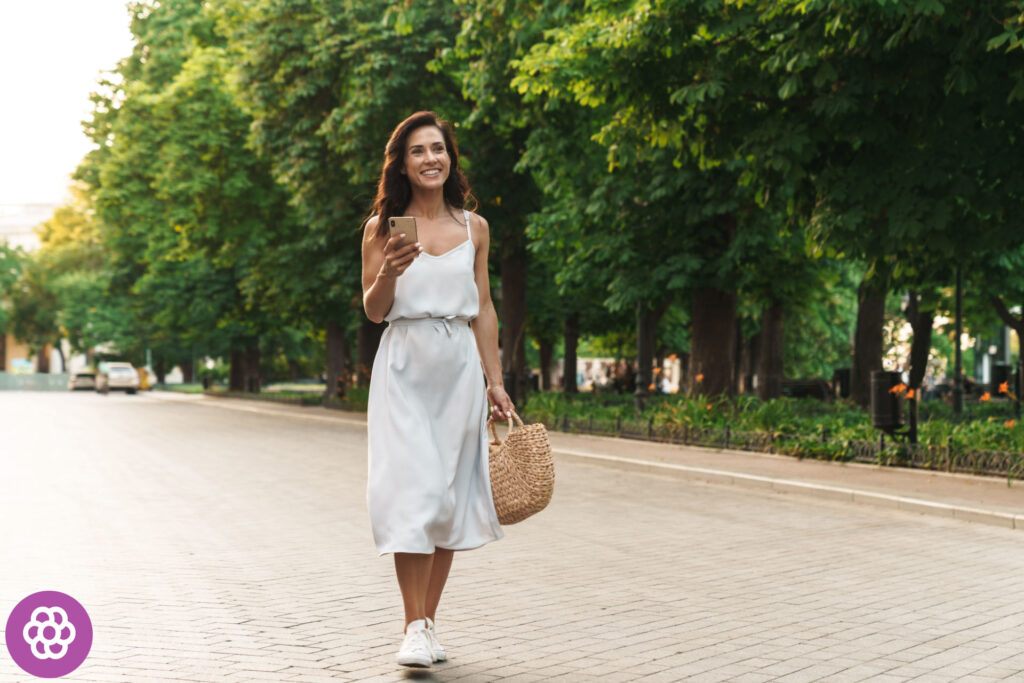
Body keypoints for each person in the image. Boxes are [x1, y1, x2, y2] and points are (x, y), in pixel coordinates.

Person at [360, 111, 515, 668]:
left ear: (451, 158)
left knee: (447, 499)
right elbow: (375, 311)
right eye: (419, 151)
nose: (432, 158)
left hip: (457, 372)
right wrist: (390, 273)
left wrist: (495, 381)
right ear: (402, 162)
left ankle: (426, 625)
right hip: (403, 367)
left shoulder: (475, 227)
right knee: (415, 492)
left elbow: (485, 306)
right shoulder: (381, 230)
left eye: (440, 149)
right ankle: (412, 625)